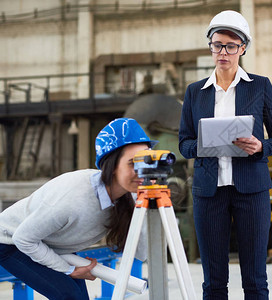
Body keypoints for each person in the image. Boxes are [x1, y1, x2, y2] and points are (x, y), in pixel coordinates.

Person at [179, 10, 272, 300]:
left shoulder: (259, 86)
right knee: (213, 281)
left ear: (243, 48)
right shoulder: (195, 93)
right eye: (217, 45)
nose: (223, 52)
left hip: (251, 190)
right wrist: (203, 145)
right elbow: (184, 143)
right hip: (208, 191)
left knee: (254, 278)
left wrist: (261, 146)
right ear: (210, 47)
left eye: (230, 45)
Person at [0, 118, 157, 300]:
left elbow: (141, 253)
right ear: (112, 165)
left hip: (52, 243)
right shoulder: (73, 198)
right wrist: (68, 269)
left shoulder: (129, 196)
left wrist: (145, 200)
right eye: (133, 163)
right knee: (70, 296)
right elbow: (23, 239)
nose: (142, 170)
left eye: (146, 161)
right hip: (10, 241)